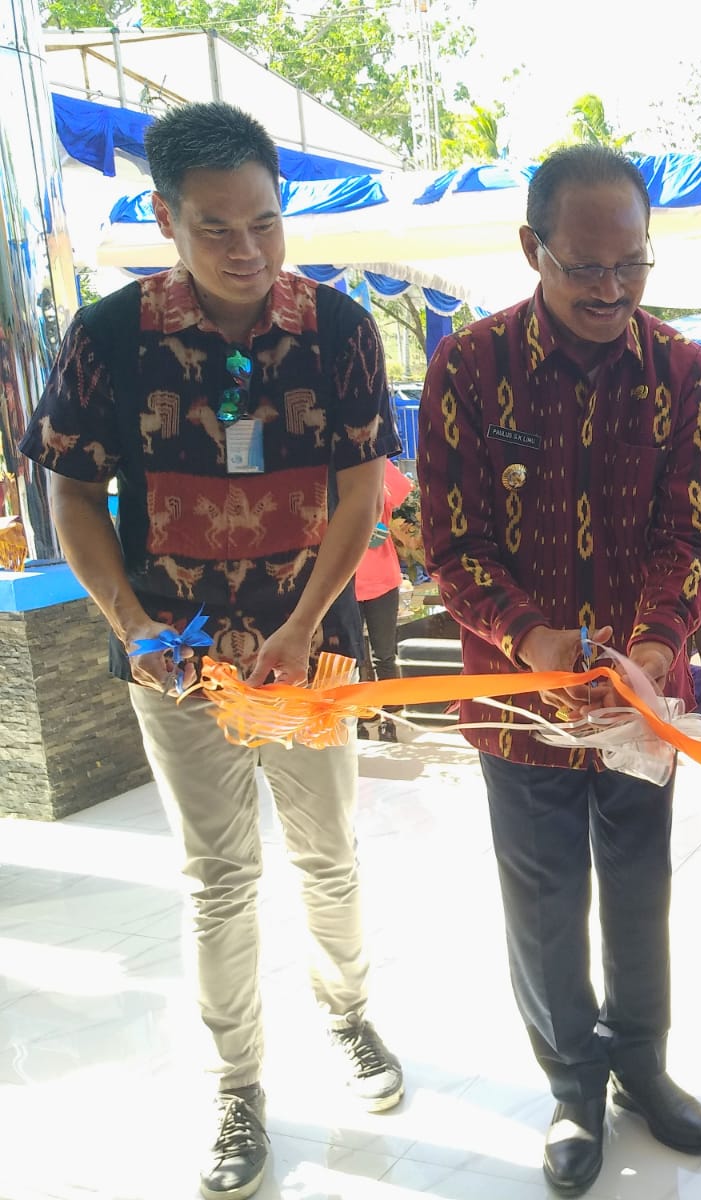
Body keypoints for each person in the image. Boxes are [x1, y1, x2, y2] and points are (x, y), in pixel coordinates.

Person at [18, 101, 404, 1200]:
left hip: (309, 653)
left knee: (328, 857)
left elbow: (359, 489)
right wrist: (132, 625)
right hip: (176, 662)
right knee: (218, 879)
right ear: (166, 220)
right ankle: (238, 1088)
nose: (247, 251)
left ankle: (349, 1018)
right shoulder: (108, 338)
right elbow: (72, 492)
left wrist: (300, 622)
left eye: (266, 225)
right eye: (216, 229)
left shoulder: (338, 332)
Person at [417, 144, 701, 1196]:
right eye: (584, 268)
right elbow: (452, 544)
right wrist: (532, 642)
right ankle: (571, 1086)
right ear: (530, 250)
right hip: (517, 701)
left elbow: (691, 536)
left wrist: (650, 646)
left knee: (639, 887)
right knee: (545, 896)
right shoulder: (469, 367)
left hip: (639, 701)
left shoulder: (685, 373)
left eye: (631, 266)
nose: (610, 291)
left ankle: (641, 1066)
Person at [354, 458, 417, 703]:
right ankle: (365, 714)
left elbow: (403, 491)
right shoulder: (336, 480)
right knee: (360, 657)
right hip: (347, 583)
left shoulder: (377, 467)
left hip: (380, 580)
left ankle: (387, 714)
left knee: (382, 654)